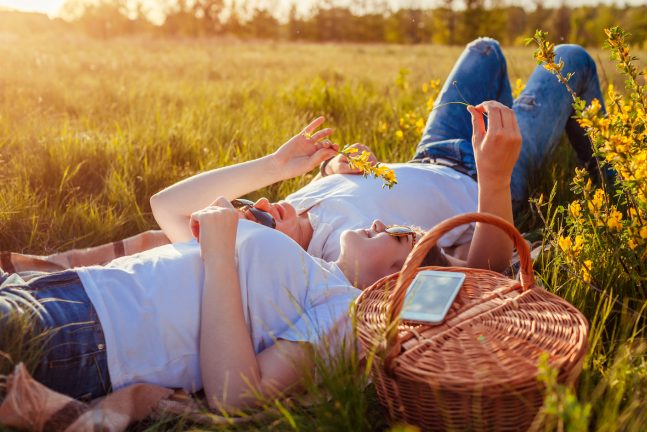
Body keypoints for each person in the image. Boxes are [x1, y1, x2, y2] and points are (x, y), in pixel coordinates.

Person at [0, 100, 521, 411]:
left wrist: (222, 255)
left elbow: (235, 395)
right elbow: (168, 206)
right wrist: (276, 164)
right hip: (76, 290)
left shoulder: (342, 307)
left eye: (401, 237)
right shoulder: (309, 267)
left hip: (92, 334)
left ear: (395, 278)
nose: (382, 223)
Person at [0, 39, 603, 275]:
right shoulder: (343, 255)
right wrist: (495, 174)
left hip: (432, 149)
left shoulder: (289, 211)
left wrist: (327, 170)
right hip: (485, 172)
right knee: (571, 60)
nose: (263, 205)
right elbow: (476, 274)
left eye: (251, 204)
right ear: (260, 253)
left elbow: (167, 211)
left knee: (485, 51)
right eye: (258, 218)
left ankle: (536, 128)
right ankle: (607, 183)